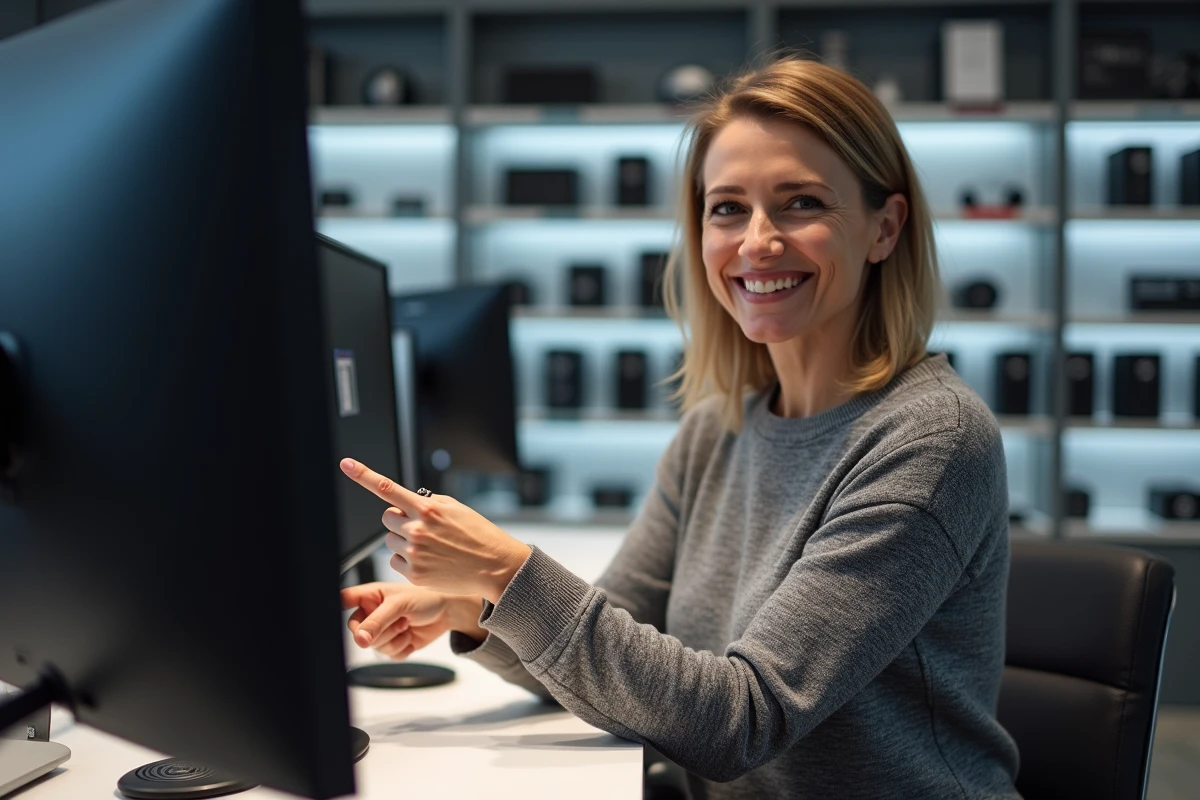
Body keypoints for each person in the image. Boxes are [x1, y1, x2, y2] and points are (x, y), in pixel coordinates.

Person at [339, 56, 1021, 799]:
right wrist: (481, 608)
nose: (756, 242)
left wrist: (510, 574)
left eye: (800, 203)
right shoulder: (718, 426)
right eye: (727, 207)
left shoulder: (929, 439)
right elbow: (620, 659)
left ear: (884, 228)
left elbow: (741, 722)